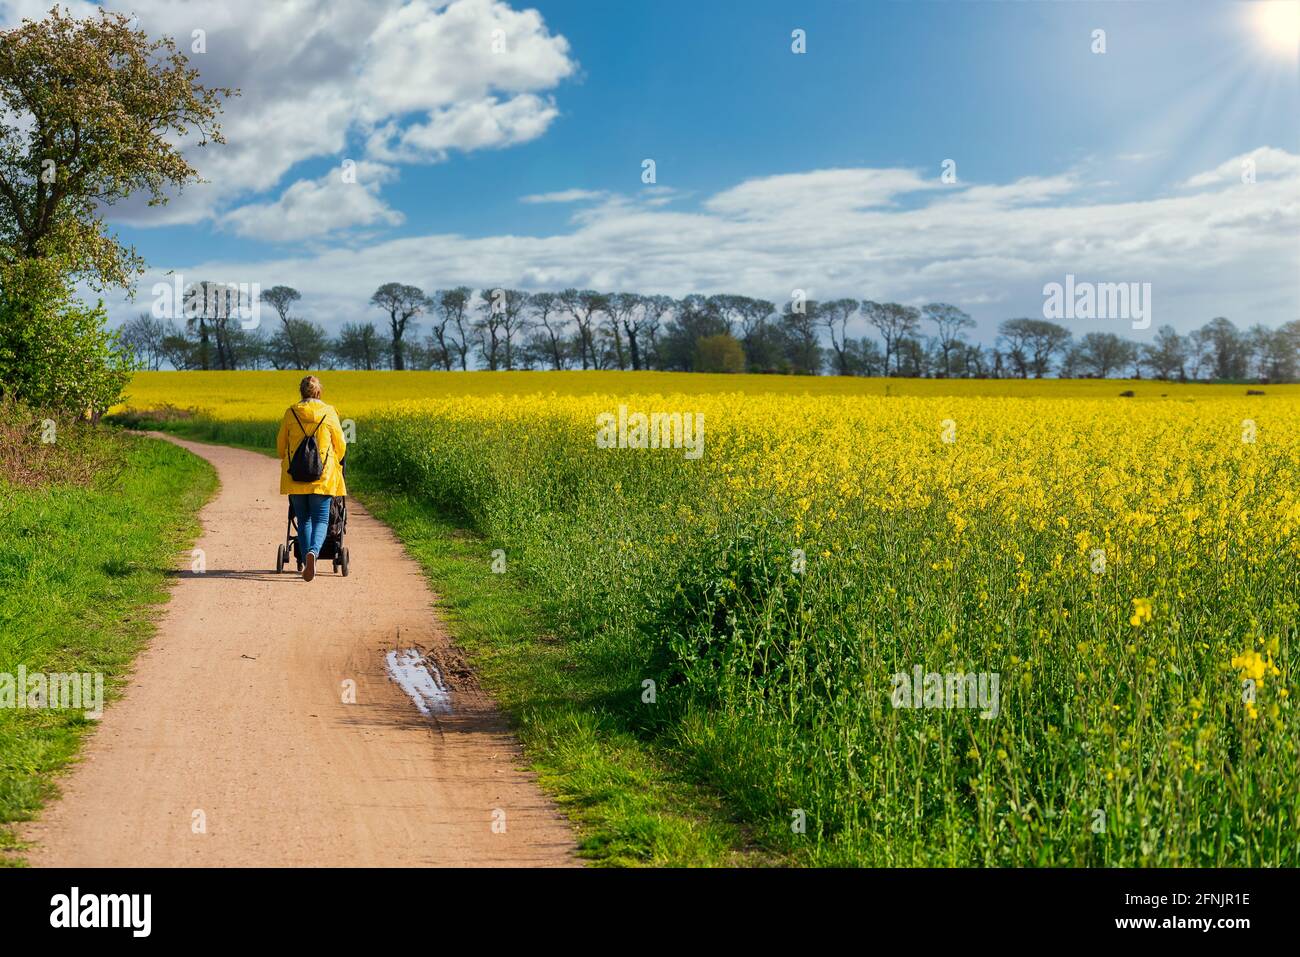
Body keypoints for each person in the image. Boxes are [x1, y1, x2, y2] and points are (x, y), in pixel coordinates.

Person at [276, 375, 347, 581]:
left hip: (296, 476)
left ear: (302, 391)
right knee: (321, 519)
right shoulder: (329, 412)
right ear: (318, 392)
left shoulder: (291, 413)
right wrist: (335, 461)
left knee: (303, 518)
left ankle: (308, 557)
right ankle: (313, 554)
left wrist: (288, 459)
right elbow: (340, 444)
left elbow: (281, 445)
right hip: (323, 477)